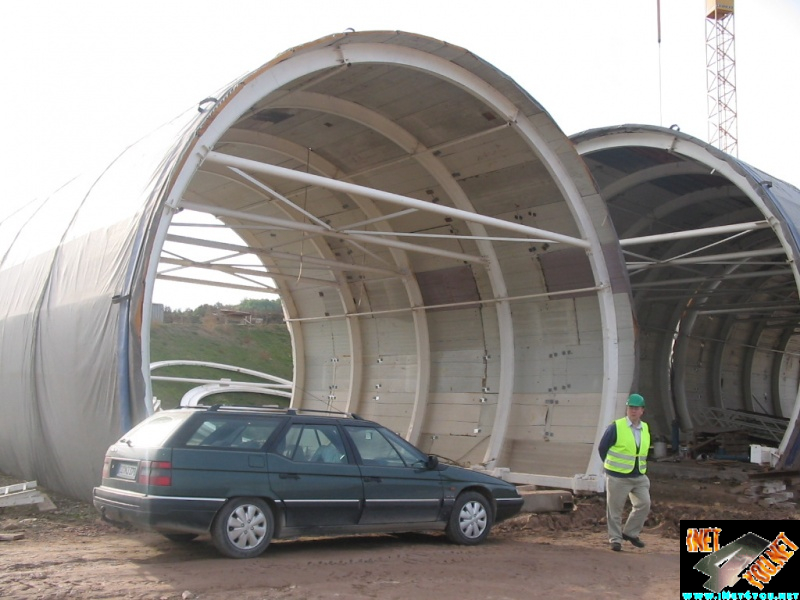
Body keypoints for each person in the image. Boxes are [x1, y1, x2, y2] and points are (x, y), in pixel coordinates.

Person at [598, 393, 651, 552]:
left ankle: (630, 532)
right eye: (630, 408)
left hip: (638, 475)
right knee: (615, 510)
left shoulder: (645, 428)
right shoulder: (616, 426)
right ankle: (615, 540)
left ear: (642, 410)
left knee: (644, 503)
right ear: (626, 409)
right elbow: (602, 448)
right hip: (618, 476)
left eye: (636, 408)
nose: (633, 411)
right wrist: (611, 467)